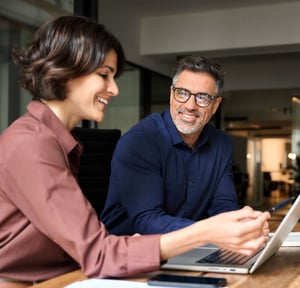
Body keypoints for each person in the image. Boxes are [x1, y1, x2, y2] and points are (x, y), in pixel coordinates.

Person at [0, 15, 270, 288]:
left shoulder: (59, 142)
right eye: (104, 75)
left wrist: (228, 228)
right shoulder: (32, 144)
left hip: (70, 278)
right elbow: (99, 253)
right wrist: (209, 231)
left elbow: (89, 247)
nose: (115, 89)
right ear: (65, 71)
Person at [101, 55, 241, 235]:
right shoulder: (140, 142)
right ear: (171, 95)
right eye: (182, 93)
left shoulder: (222, 144)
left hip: (189, 247)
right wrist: (209, 231)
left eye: (203, 97)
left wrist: (238, 224)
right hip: (129, 251)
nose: (190, 105)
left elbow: (224, 206)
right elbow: (147, 221)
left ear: (215, 105)